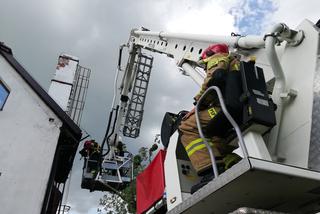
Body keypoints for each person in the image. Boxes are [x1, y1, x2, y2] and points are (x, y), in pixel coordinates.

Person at [178, 43, 242, 193]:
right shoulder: (236, 63)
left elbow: (213, 79)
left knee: (187, 126)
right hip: (238, 105)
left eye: (204, 64)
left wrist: (198, 104)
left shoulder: (218, 58)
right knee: (214, 139)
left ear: (209, 55)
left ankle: (210, 172)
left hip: (224, 107)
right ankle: (231, 163)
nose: (205, 68)